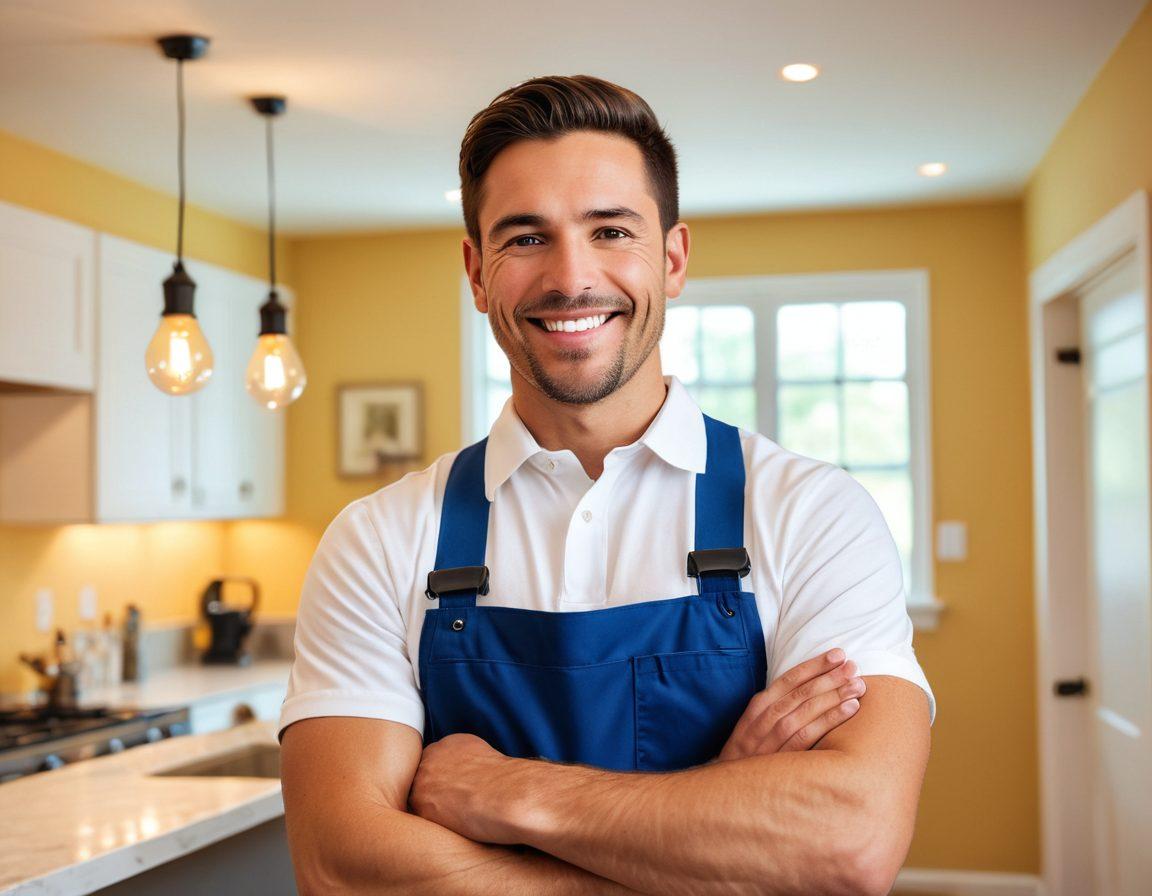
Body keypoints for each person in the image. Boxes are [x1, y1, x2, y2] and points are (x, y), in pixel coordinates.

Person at [279, 75, 934, 895]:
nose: (571, 277)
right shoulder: (378, 539)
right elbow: (342, 867)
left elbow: (848, 842)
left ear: (673, 257)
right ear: (477, 272)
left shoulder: (812, 514)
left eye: (611, 230)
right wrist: (710, 836)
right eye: (525, 238)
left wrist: (502, 792)